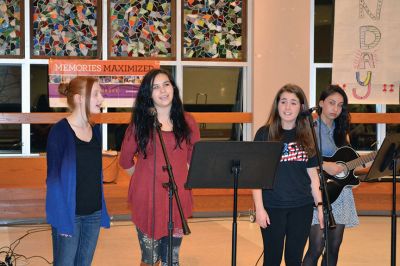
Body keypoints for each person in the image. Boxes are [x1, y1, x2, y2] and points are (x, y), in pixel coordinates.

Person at [119, 69, 200, 266]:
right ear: (148, 93)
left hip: (178, 198)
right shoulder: (139, 124)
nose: (163, 91)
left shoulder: (188, 121)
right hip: (147, 199)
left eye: (166, 84)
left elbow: (194, 158)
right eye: (155, 87)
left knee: (172, 259)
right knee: (150, 259)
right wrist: (142, 178)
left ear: (173, 88)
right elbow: (125, 161)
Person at [252, 84, 324, 266]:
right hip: (272, 207)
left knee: (294, 259)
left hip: (302, 206)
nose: (287, 107)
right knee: (272, 259)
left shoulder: (308, 136)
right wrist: (259, 209)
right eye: (283, 102)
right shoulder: (264, 134)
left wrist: (321, 207)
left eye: (293, 102)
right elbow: (256, 176)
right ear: (277, 105)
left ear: (301, 107)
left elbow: (314, 178)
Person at [46, 76, 110, 266]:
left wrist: (102, 210)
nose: (101, 98)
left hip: (94, 213)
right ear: (79, 98)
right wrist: (62, 218)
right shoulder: (59, 132)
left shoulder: (95, 130)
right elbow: (53, 181)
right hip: (69, 214)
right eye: (96, 93)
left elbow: (94, 175)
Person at [303, 85, 359, 266]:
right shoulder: (310, 127)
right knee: (316, 247)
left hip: (340, 194)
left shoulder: (342, 130)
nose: (335, 109)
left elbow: (347, 159)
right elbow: (302, 158)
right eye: (331, 103)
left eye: (340, 105)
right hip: (317, 192)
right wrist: (326, 166)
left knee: (334, 248)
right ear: (321, 103)